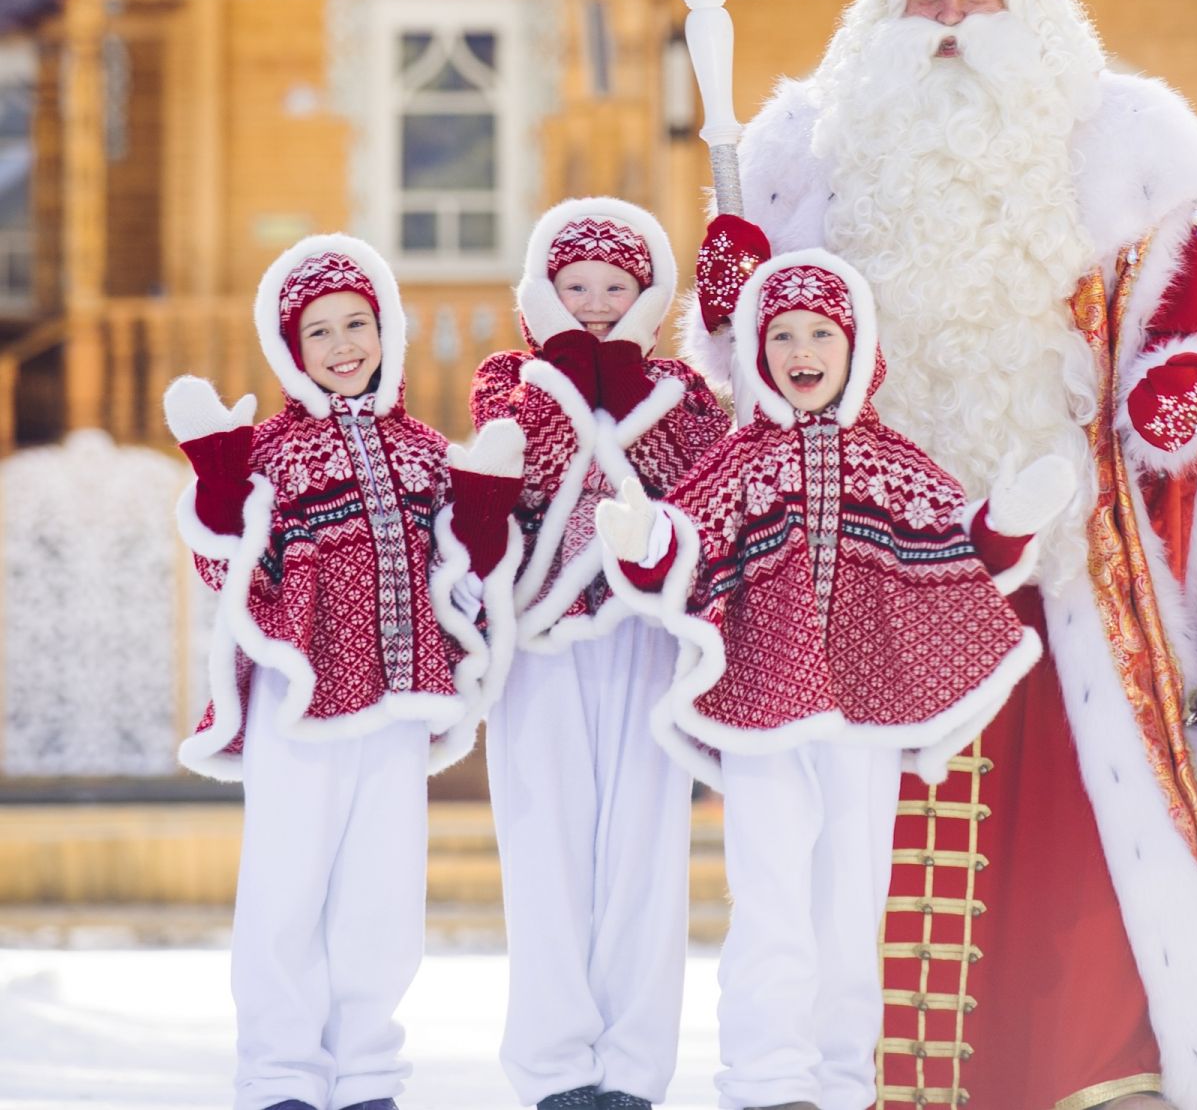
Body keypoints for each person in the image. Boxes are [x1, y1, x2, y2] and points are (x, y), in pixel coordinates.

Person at [692, 0, 1197, 1110]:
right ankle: (856, 1069)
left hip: (1056, 555)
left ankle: (1079, 1066)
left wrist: (1168, 392)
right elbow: (747, 376)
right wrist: (724, 302)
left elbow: (1187, 313)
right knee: (859, 847)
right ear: (885, 0)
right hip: (863, 572)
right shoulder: (797, 151)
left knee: (1069, 846)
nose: (950, 16)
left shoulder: (1132, 143)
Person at [599, 249, 1068, 1110]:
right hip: (763, 706)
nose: (802, 348)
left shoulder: (894, 463)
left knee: (852, 902)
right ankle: (769, 1079)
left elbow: (958, 551)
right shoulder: (740, 461)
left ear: (857, 348)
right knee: (772, 894)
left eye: (822, 332)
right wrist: (644, 540)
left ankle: (844, 1081)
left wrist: (1006, 523)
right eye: (782, 334)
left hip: (866, 709)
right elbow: (687, 549)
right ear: (757, 348)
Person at [165, 234, 521, 1110]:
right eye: (318, 331)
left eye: (357, 322)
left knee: (382, 894)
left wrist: (481, 516)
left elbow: (465, 573)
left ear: (387, 329)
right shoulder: (271, 453)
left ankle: (366, 1069)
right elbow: (224, 568)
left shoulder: (424, 451)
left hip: (398, 700)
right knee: (289, 884)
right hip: (302, 698)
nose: (342, 344)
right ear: (290, 350)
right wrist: (217, 479)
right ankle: (281, 1072)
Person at [461, 198, 729, 1110]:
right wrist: (578, 380)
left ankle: (631, 1069)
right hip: (539, 636)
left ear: (650, 296)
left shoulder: (685, 392)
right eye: (576, 289)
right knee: (544, 844)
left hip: (644, 633)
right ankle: (554, 1065)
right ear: (542, 290)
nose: (597, 306)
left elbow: (696, 481)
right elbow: (527, 467)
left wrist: (627, 381)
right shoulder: (509, 377)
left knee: (644, 849)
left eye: (618, 289)